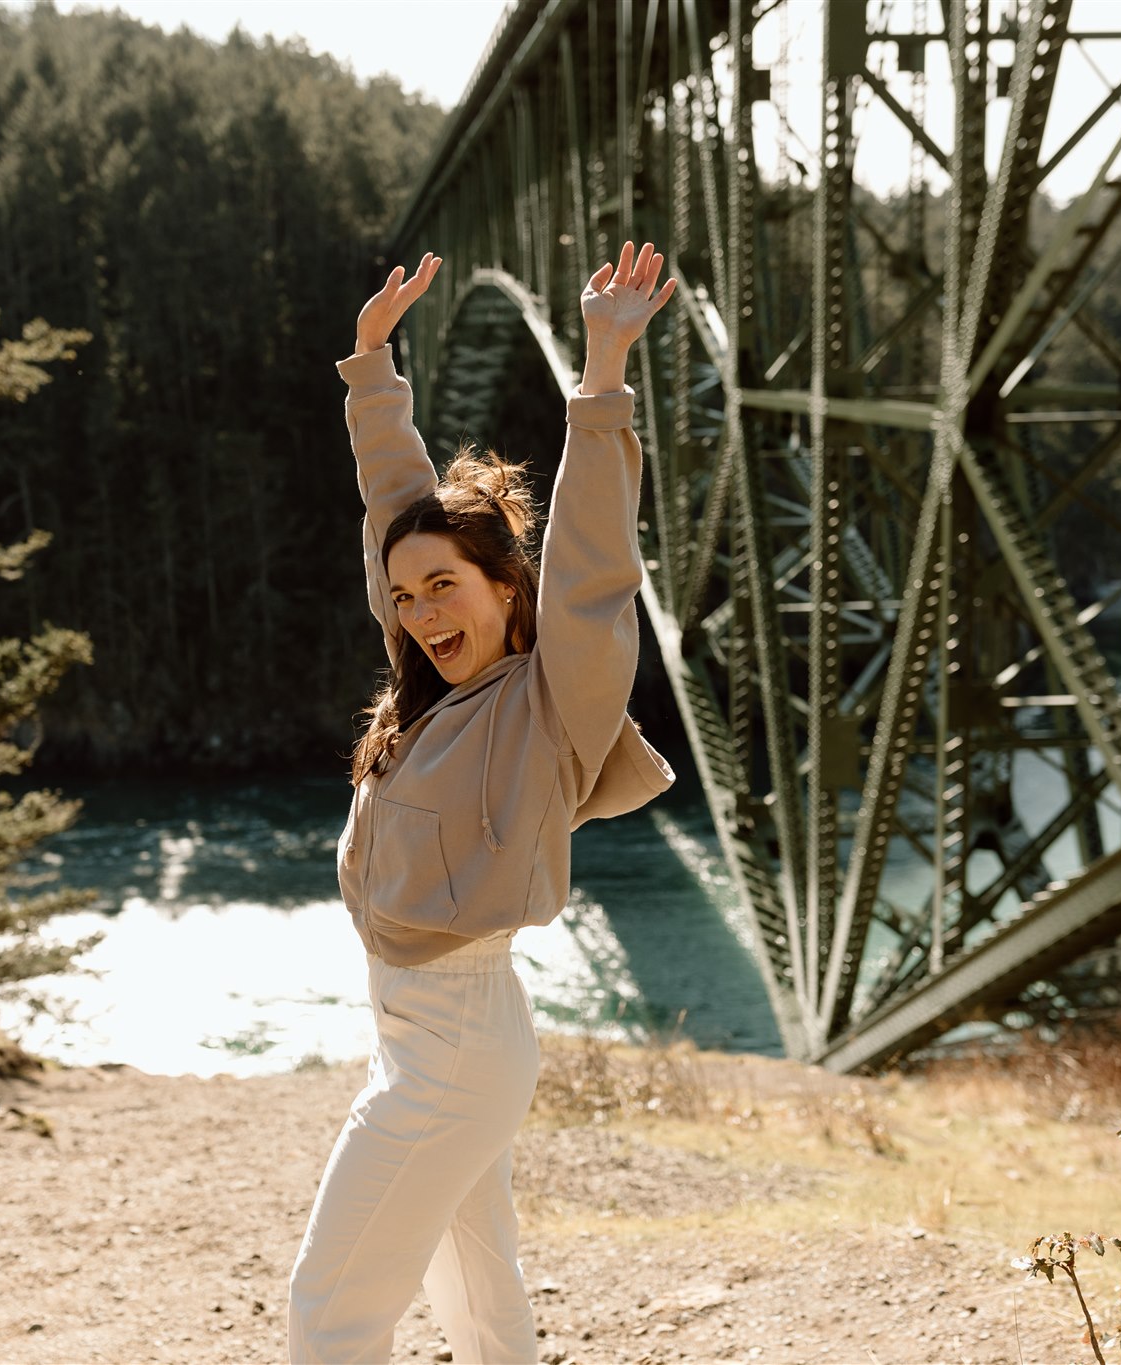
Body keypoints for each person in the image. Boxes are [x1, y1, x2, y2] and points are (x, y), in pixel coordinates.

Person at [286, 241, 680, 1364]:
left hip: (454, 1045)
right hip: (432, 1032)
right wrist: (369, 366)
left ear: (511, 589)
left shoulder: (552, 702)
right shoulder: (428, 690)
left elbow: (598, 562)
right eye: (403, 596)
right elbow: (394, 511)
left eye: (444, 588)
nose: (416, 611)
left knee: (331, 1301)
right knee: (476, 1290)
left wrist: (601, 372)